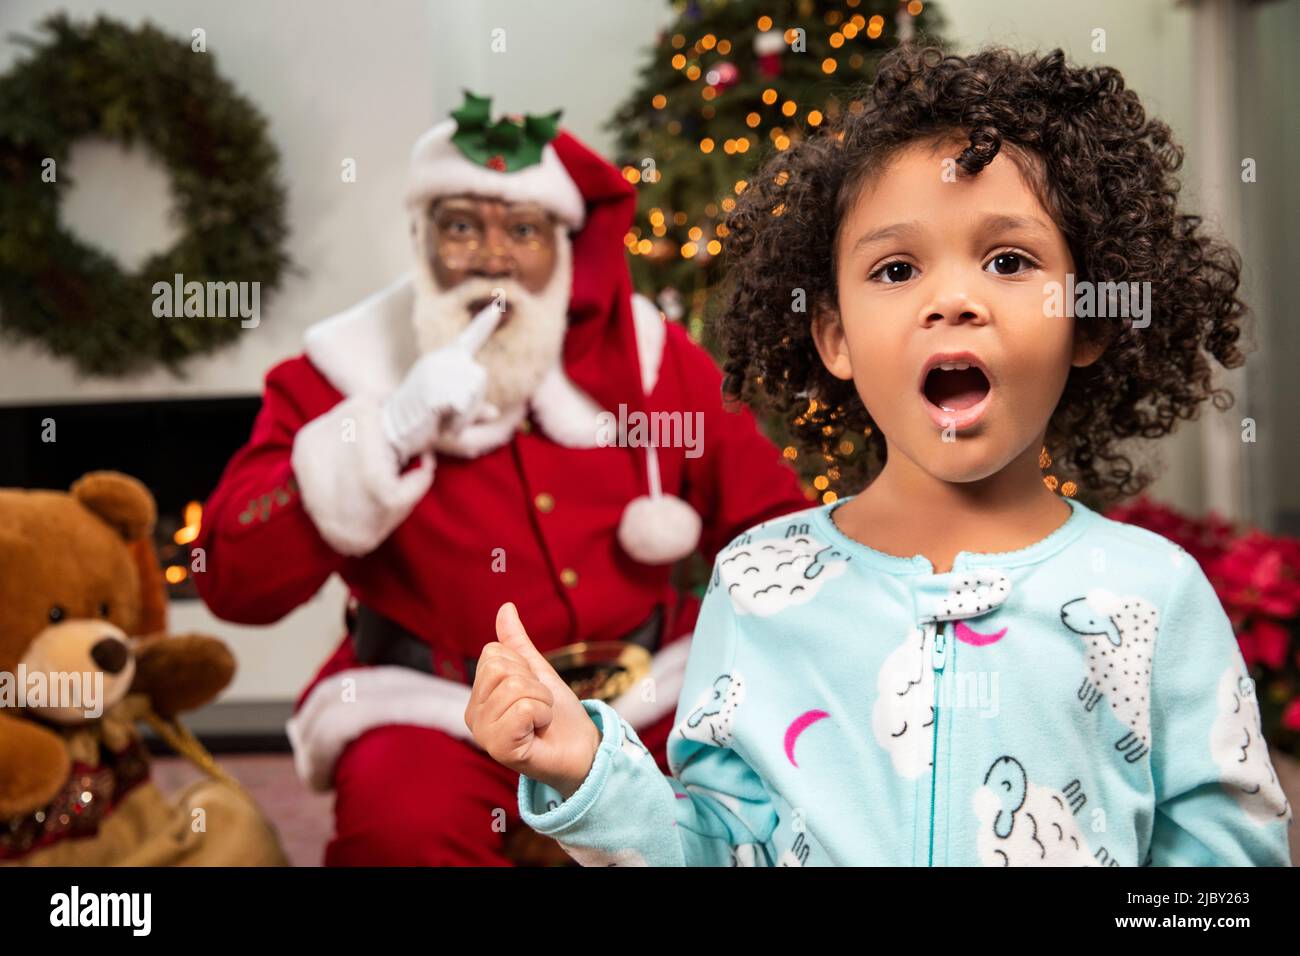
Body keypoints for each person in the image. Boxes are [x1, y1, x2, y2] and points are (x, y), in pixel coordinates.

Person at [466, 47, 1294, 866]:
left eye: (1009, 261)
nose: (951, 301)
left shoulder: (1156, 597)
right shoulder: (757, 584)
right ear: (835, 337)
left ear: (1087, 319)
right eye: (896, 268)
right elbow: (712, 849)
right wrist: (589, 768)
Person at [192, 92, 808, 865]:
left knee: (749, 809)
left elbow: (775, 525)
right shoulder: (342, 369)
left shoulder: (650, 356)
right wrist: (378, 436)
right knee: (400, 835)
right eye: (460, 226)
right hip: (432, 710)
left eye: (522, 230)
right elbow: (228, 579)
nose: (491, 256)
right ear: (421, 239)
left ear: (564, 248)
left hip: (647, 692)